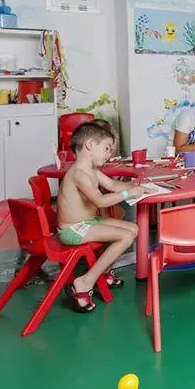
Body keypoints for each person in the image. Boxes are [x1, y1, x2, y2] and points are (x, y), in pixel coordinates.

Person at [56, 120, 141, 313]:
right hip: (72, 229)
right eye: (106, 148)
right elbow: (101, 201)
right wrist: (128, 193)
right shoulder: (79, 174)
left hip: (88, 222)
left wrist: (136, 186)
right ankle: (85, 281)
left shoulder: (92, 171)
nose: (109, 154)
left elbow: (113, 185)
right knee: (126, 236)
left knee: (133, 228)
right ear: (89, 145)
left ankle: (103, 271)